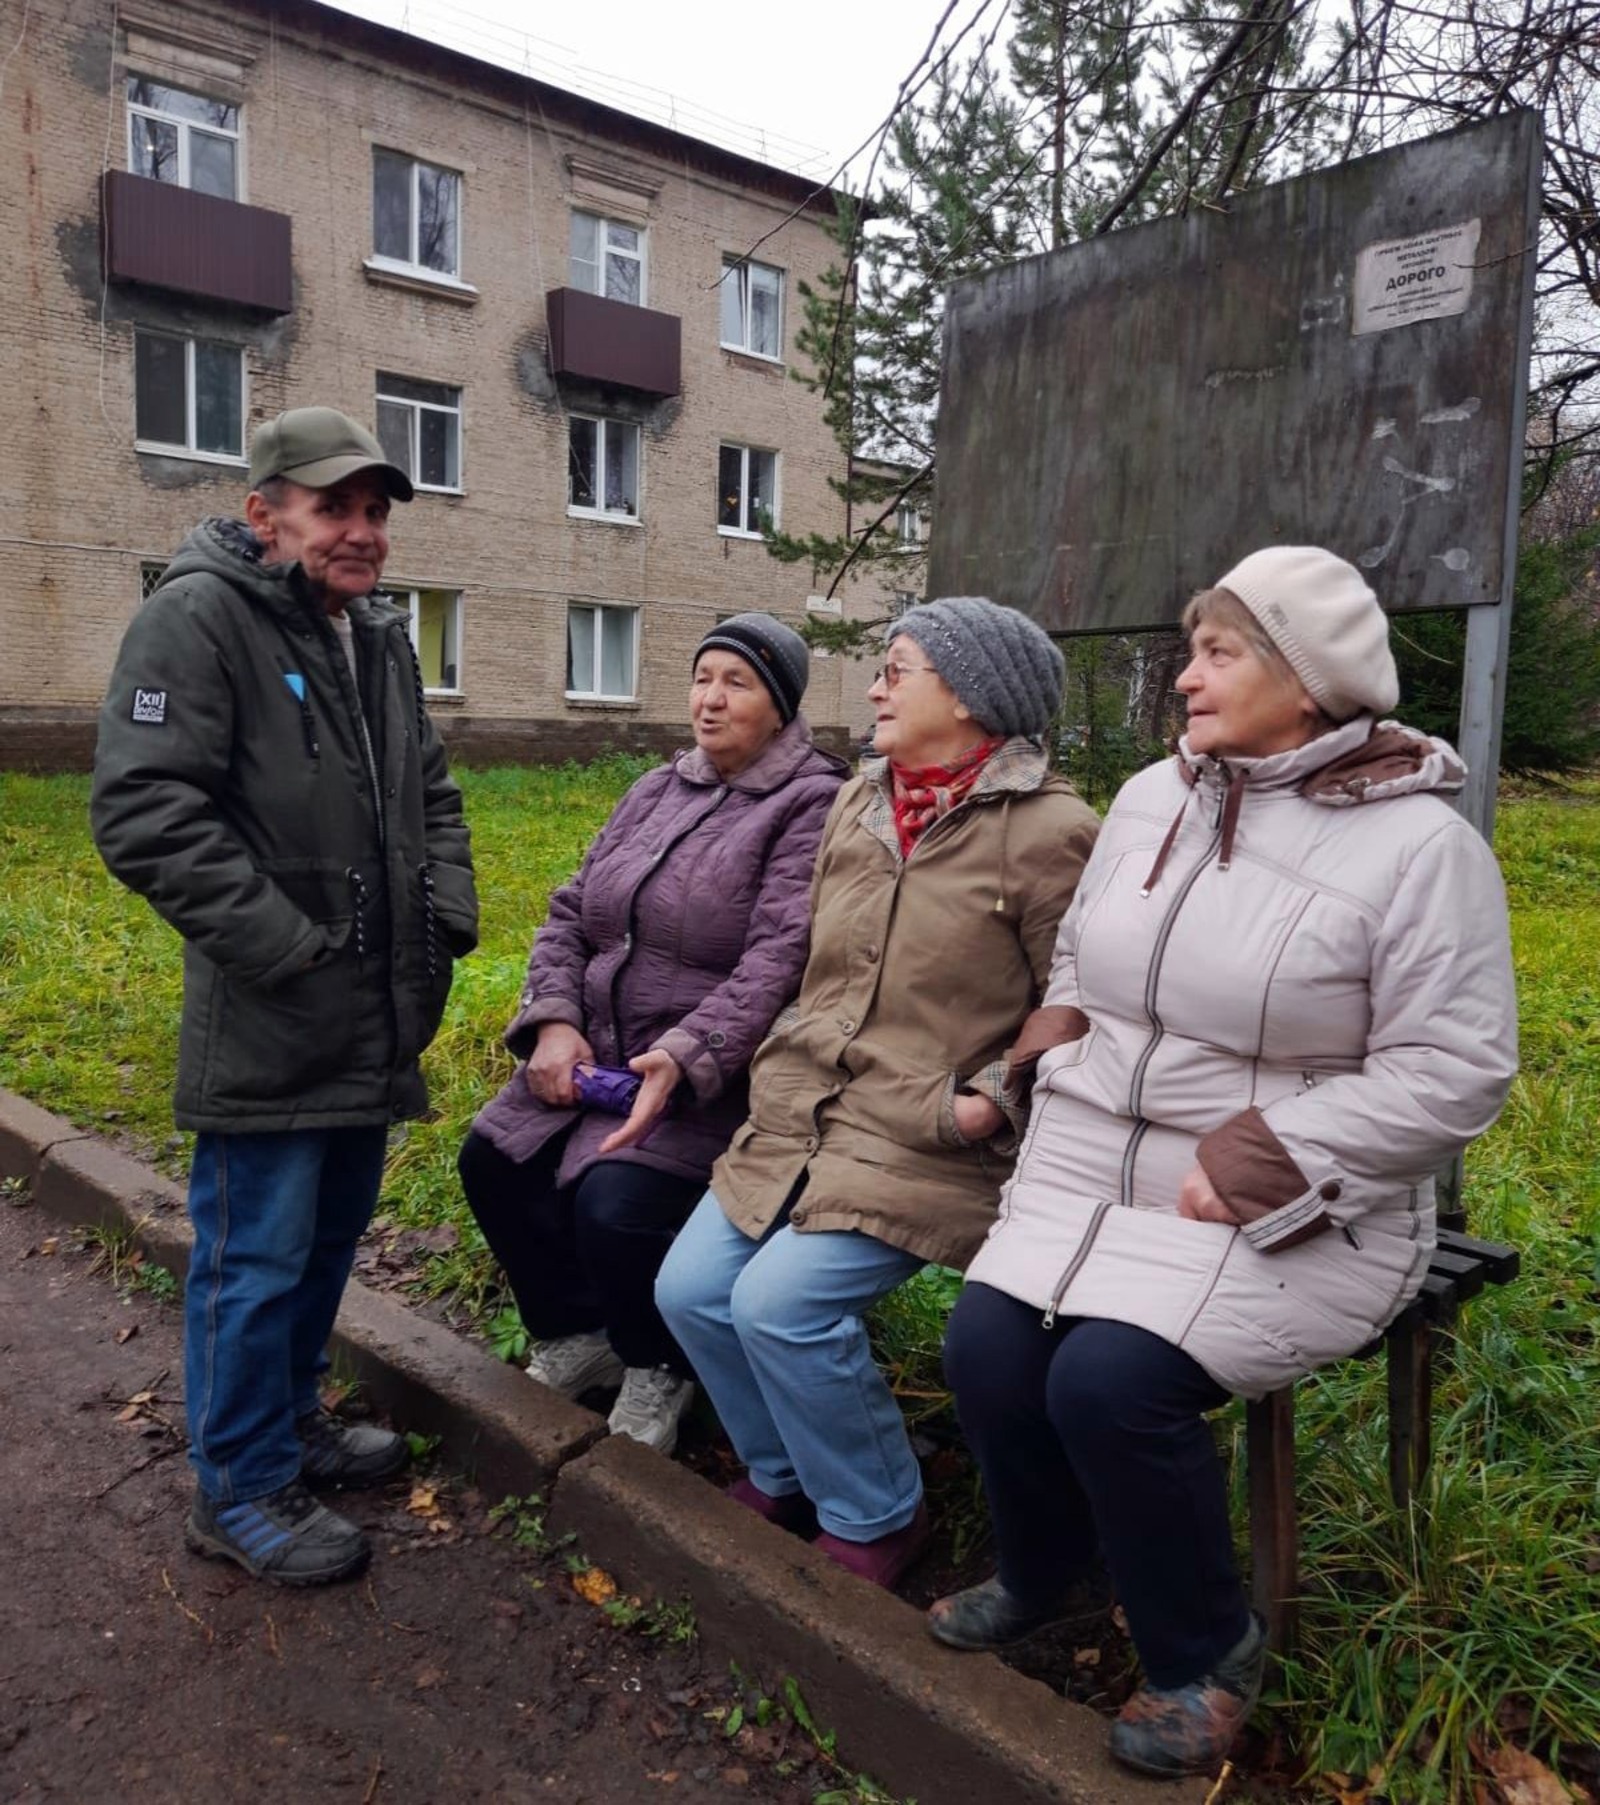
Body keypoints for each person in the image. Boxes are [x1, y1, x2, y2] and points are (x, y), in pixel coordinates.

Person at [932, 548, 1518, 1778]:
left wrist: (1269, 1154)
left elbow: (1456, 1068)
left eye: (1218, 652)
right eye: (1189, 651)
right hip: (1094, 1162)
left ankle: (1203, 1650)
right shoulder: (1156, 797)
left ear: (1306, 679)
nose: (1186, 678)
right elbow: (1084, 963)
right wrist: (1036, 1060)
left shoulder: (1419, 845)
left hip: (1298, 1204)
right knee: (985, 1346)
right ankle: (1047, 1569)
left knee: (1107, 1380)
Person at [91, 407, 478, 1587]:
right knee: (252, 1259)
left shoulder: (379, 636)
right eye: (332, 507)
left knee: (322, 1242)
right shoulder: (199, 618)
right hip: (274, 1007)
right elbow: (145, 812)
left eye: (374, 510)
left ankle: (291, 1422)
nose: (360, 531)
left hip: (375, 1004)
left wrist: (447, 911)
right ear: (264, 513)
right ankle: (238, 1484)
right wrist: (291, 950)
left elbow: (432, 790)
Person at [656, 597, 1100, 1587]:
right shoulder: (859, 803)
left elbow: (1082, 1002)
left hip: (926, 1136)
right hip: (807, 1108)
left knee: (778, 1305)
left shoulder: (1052, 831)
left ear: (971, 694)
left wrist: (989, 1096)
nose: (872, 689)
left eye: (897, 670)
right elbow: (809, 956)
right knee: (688, 1290)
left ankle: (876, 1510)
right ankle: (785, 1470)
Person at [459, 614, 847, 1455]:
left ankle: (657, 1360)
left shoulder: (812, 804)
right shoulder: (656, 788)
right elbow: (571, 910)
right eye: (702, 678)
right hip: (595, 1057)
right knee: (492, 1161)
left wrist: (684, 1052)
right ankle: (578, 1332)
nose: (710, 699)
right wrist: (554, 1021)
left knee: (614, 1205)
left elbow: (781, 956)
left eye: (737, 683)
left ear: (781, 705)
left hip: (710, 1082)